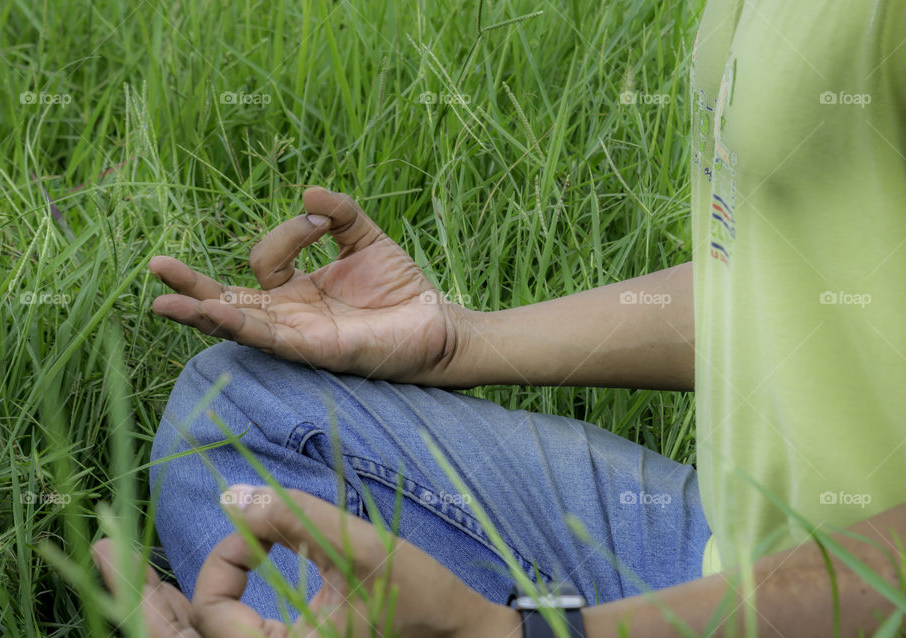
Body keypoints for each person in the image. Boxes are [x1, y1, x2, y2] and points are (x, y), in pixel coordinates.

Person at [94, 0, 906, 635]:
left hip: (861, 594)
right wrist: (459, 339)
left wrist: (538, 635)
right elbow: (793, 285)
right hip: (732, 547)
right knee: (242, 408)